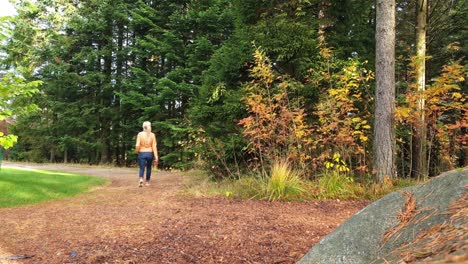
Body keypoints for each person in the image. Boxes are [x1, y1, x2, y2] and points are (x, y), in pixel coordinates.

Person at [135, 121, 158, 187]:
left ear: (143, 127)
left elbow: (137, 145)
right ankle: (147, 182)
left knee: (142, 168)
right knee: (149, 168)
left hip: (141, 153)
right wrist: (156, 157)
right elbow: (154, 146)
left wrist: (137, 151)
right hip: (150, 153)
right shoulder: (152, 135)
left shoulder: (140, 134)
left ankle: (141, 179)